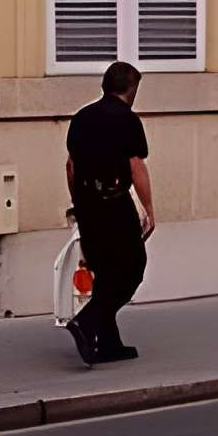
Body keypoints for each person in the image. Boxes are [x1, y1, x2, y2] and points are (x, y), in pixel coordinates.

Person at [63, 60, 153, 365]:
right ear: (132, 88)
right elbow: (135, 165)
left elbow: (71, 167)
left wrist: (79, 204)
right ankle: (86, 323)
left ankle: (109, 344)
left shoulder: (81, 118)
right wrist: (149, 209)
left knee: (105, 270)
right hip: (114, 202)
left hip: (87, 202)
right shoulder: (127, 120)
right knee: (132, 267)